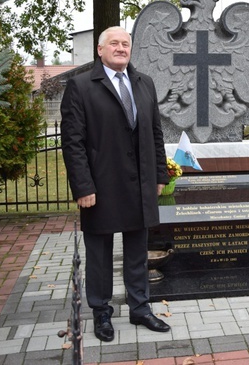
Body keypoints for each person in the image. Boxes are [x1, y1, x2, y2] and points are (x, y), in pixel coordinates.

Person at [61, 26, 171, 342]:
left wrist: (160, 175)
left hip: (140, 184)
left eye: (125, 43)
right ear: (100, 50)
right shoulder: (81, 87)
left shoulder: (144, 83)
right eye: (114, 43)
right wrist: (82, 186)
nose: (121, 48)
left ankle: (140, 308)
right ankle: (101, 312)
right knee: (99, 254)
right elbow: (73, 142)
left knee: (138, 251)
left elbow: (155, 134)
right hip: (101, 184)